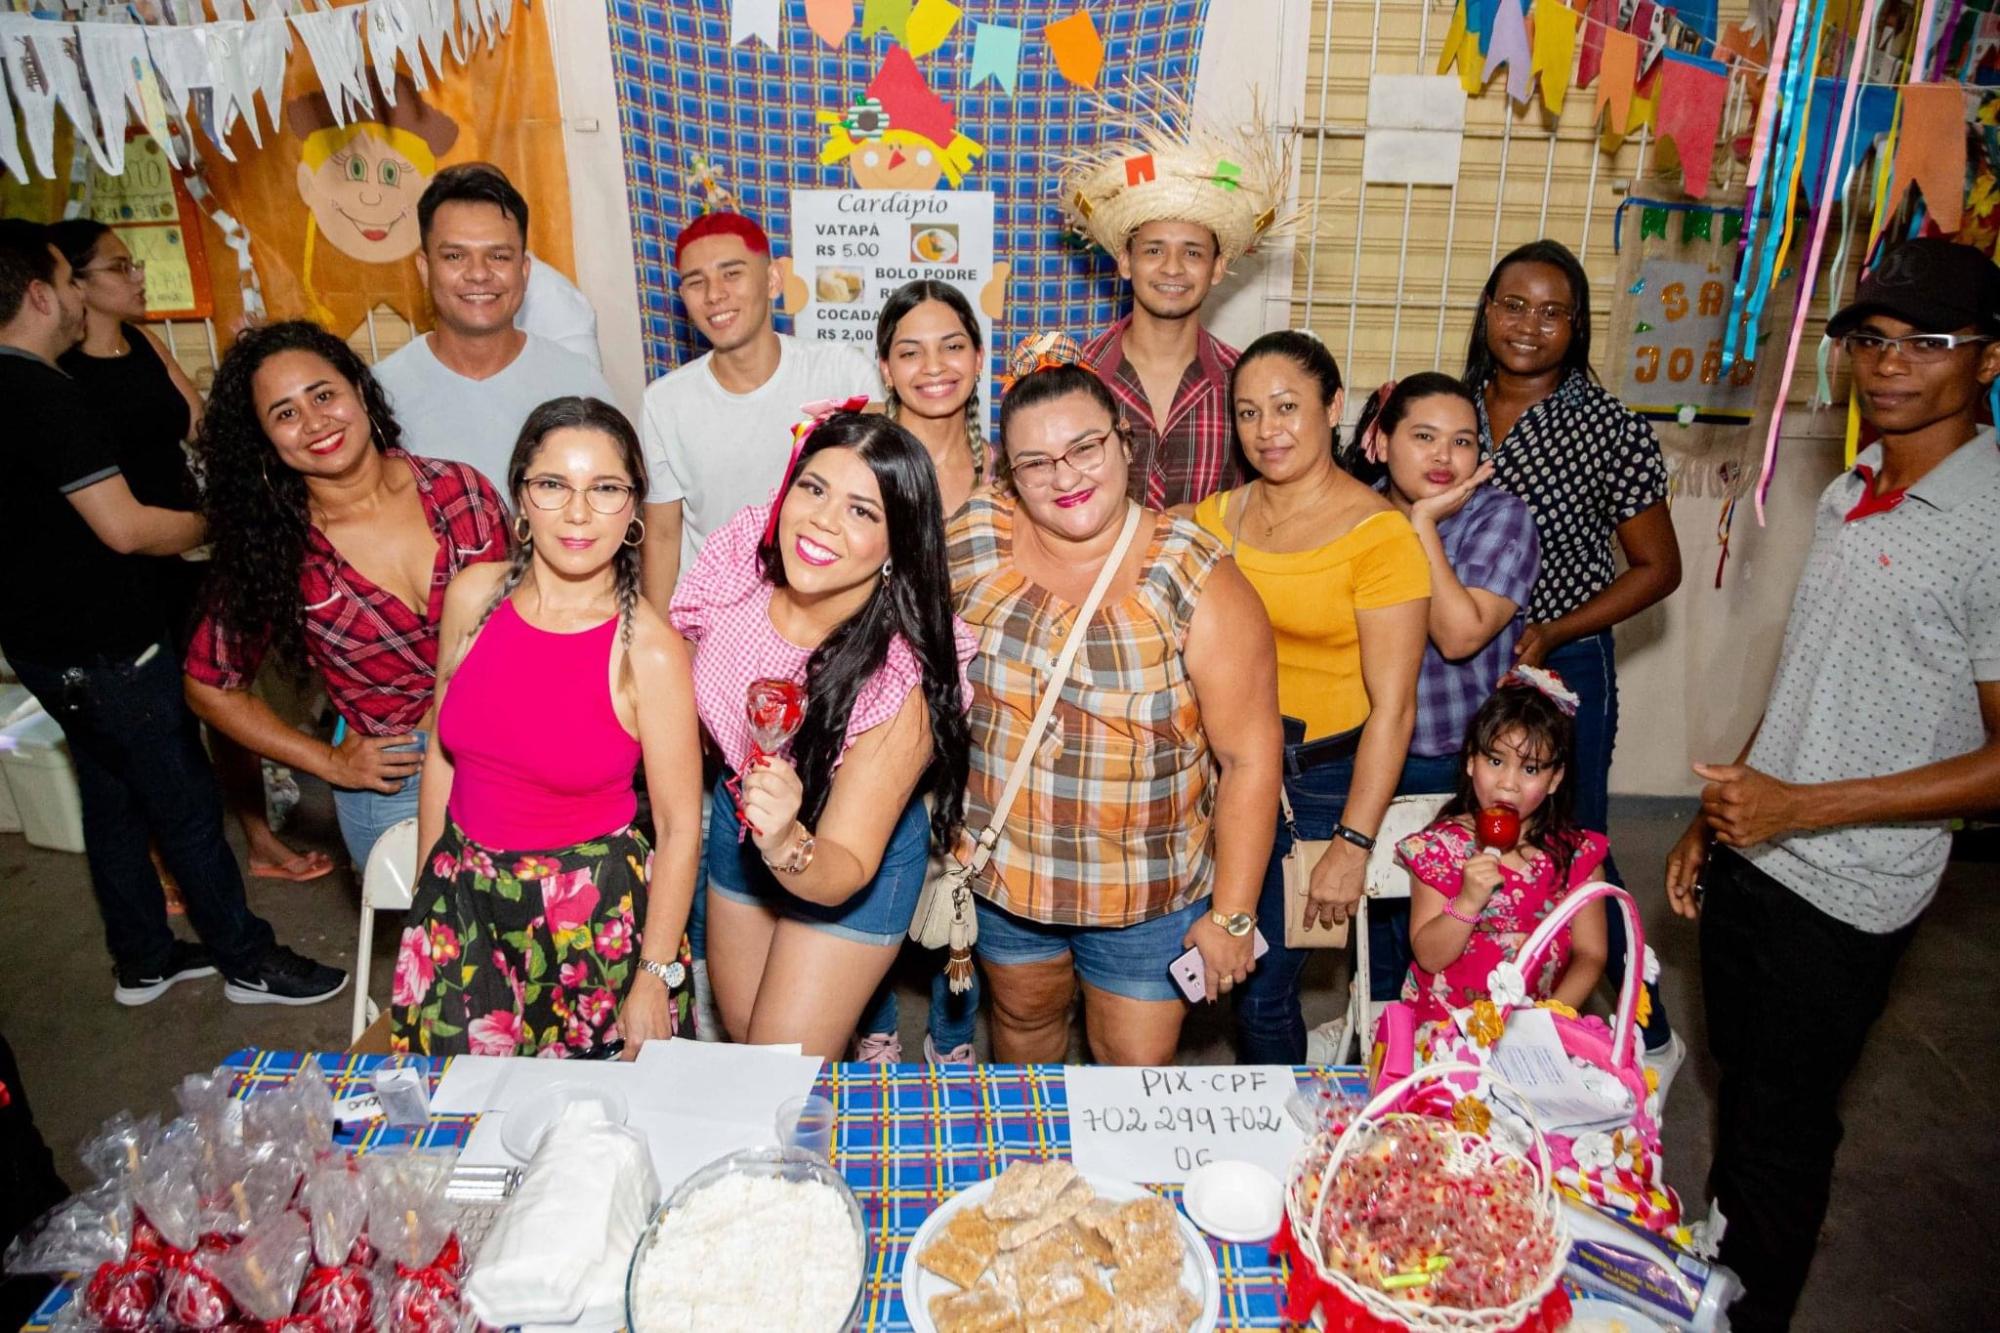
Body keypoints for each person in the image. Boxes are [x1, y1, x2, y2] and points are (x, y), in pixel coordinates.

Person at [1665, 238, 2000, 1332]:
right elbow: (1813, 669)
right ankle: (1728, 1252)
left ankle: (1745, 1310)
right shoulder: (1855, 482)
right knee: (1740, 1087)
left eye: (1927, 343)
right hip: (1758, 845)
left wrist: (1800, 809)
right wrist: (1726, 813)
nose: (1889, 365)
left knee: (1784, 1121)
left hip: (1851, 882)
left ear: (1987, 361)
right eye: (1870, 340)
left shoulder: (1990, 521)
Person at [0, 219, 345, 1007]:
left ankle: (144, 957)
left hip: (44, 643)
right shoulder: (44, 392)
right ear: (44, 293)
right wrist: (216, 528)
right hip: (107, 637)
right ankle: (247, 959)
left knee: (111, 791)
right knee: (182, 798)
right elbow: (123, 526)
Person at [952, 351, 1281, 1065]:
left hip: (1146, 892)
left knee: (1130, 1079)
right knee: (1023, 1037)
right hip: (1007, 874)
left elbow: (1250, 757)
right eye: (1036, 463)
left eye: (1084, 448)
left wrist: (1232, 913)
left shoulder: (1193, 573)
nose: (1064, 477)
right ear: (1009, 473)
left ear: (1124, 444)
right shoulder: (976, 539)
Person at [393, 397, 703, 1057]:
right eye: (554, 484)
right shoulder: (475, 596)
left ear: (635, 509)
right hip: (464, 895)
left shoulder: (647, 648)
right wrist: (429, 892)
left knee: (591, 1134)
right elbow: (444, 758)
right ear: (521, 497)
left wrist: (651, 977)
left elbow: (679, 827)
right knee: (457, 1111)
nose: (579, 512)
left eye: (607, 488)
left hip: (587, 925)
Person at [670, 411, 973, 1061]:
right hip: (741, 812)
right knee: (751, 1045)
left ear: (897, 545)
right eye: (813, 489)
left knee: (784, 1062)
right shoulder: (742, 567)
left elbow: (844, 866)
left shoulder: (899, 680)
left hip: (846, 852)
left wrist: (783, 838)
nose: (823, 520)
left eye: (863, 511)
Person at [49, 219, 332, 885]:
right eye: (119, 267)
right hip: (120, 562)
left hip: (187, 553)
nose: (139, 275)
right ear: (76, 287)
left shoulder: (144, 345)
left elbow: (204, 427)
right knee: (150, 724)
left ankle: (260, 837)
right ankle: (160, 860)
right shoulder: (61, 377)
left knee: (224, 694)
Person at [1465, 239, 1683, 1083]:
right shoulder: (1452, 409)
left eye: (1553, 311)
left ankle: (1642, 1017)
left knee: (1575, 836)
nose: (1530, 325)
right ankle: (1454, 990)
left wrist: (1552, 630)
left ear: (1578, 325)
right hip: (1460, 664)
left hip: (1563, 666)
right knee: (1460, 831)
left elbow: (1657, 568)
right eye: (1514, 305)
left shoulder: (1610, 427)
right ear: (1487, 312)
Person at [184, 322, 510, 869]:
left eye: (323, 395)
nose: (314, 423)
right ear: (264, 440)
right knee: (442, 949)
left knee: (544, 931)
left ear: (358, 390)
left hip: (509, 750)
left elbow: (533, 626)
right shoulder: (277, 550)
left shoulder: (462, 492)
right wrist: (330, 763)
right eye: (285, 414)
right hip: (395, 785)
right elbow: (208, 685)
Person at [1189, 331, 1430, 1064]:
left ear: (1333, 408)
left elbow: (1395, 709)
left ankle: (1288, 1144)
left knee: (1261, 986)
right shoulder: (1208, 522)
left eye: (1288, 407)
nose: (1268, 430)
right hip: (1216, 770)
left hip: (1318, 786)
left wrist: (1353, 843)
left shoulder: (1378, 537)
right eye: (1250, 412)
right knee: (1197, 951)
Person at [1346, 371, 1541, 1000]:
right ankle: (1378, 1037)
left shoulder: (1501, 517)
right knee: (1365, 925)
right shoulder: (1352, 509)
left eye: (1462, 442)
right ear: (1381, 440)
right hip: (1361, 750)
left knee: (1443, 931)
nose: (1442, 456)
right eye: (1423, 436)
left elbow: (1460, 636)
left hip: (1451, 763)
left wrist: (1423, 525)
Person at [853, 280, 989, 1063]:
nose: (932, 366)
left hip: (974, 711)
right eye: (910, 350)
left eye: (951, 346)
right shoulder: (856, 458)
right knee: (864, 867)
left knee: (955, 877)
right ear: (885, 364)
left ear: (976, 358)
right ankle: (870, 1030)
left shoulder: (1009, 469)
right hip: (871, 703)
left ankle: (953, 1041)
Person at [1058, 95, 1291, 510]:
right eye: (1152, 251)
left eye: (1193, 253)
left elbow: (1277, 506)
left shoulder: (1245, 384)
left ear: (1218, 268)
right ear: (1125, 262)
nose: (1172, 268)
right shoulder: (1073, 379)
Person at [637, 209, 876, 607]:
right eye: (696, 282)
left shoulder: (842, 370)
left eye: (732, 274)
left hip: (825, 608)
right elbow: (663, 535)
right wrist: (657, 639)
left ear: (772, 280)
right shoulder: (664, 402)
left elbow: (885, 496)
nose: (714, 295)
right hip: (713, 617)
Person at [372, 164, 614, 490]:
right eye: (455, 256)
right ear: (425, 268)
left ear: (524, 270)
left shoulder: (576, 381)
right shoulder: (383, 392)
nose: (478, 273)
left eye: (498, 256)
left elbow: (613, 503)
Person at [1399, 671, 1607, 1027]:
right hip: (1446, 1027)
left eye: (1530, 769)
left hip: (1541, 1025)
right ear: (1470, 761)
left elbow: (1591, 954)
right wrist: (1467, 902)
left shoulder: (1575, 856)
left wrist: (1543, 1022)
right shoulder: (1438, 850)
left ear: (1555, 778)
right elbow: (1430, 957)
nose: (1508, 784)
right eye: (1495, 762)